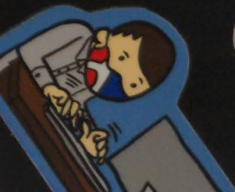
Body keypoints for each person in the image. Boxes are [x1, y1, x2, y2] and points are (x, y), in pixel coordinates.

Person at [21, 19, 176, 162]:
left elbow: (63, 126)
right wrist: (48, 86)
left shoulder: (88, 97)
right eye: (122, 58)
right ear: (104, 37)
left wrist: (85, 144)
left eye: (133, 84)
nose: (118, 73)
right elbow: (28, 51)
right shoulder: (78, 33)